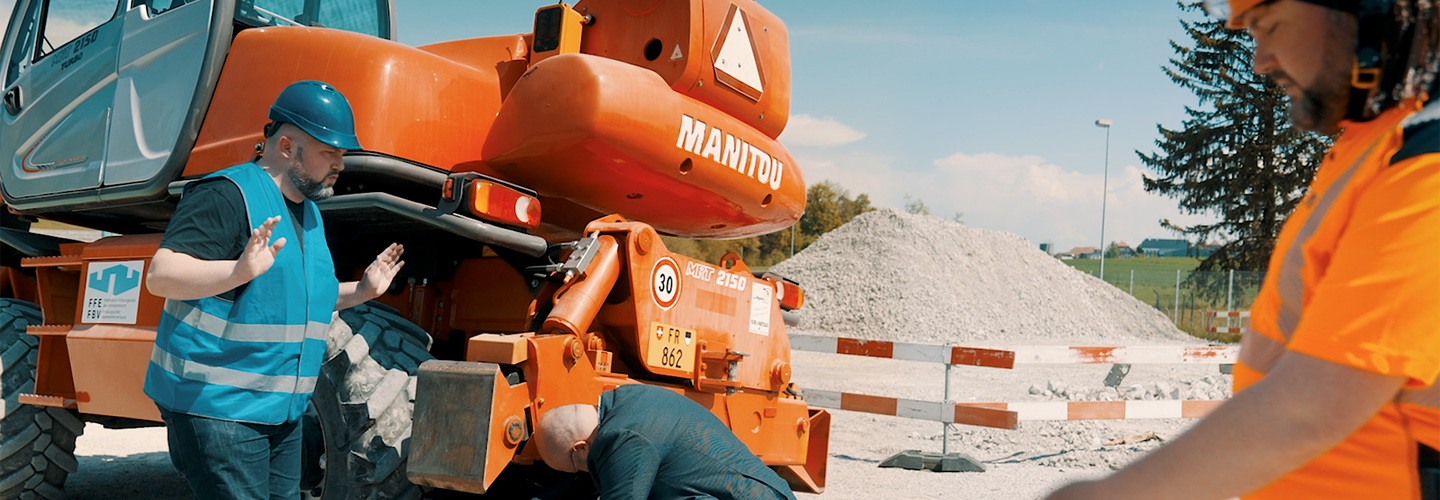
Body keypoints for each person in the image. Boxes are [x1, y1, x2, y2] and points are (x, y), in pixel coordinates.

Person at [1046, 1, 1440, 499]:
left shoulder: (1424, 159)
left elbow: (1308, 412)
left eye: (1269, 25)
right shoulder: (1370, 148)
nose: (1260, 60)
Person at [142, 80, 405, 500]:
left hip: (281, 414)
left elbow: (295, 300)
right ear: (286, 146)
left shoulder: (310, 213)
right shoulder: (226, 194)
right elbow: (161, 275)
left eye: (342, 154)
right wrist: (237, 270)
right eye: (329, 153)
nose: (340, 164)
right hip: (218, 409)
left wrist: (362, 290)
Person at [536, 384, 799, 500]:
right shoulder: (626, 401)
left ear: (581, 448)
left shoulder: (623, 438)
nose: (582, 475)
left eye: (574, 469)